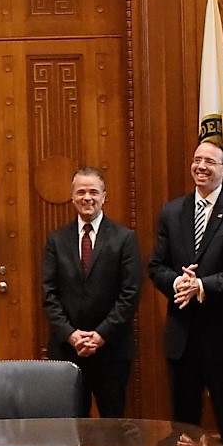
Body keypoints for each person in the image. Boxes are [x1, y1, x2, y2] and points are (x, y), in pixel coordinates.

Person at [147, 140, 223, 445]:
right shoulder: (172, 211)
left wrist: (201, 286)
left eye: (209, 162)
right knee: (183, 428)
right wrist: (177, 283)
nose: (200, 166)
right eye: (196, 159)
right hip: (182, 338)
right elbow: (156, 266)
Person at [41, 166, 141, 417]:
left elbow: (130, 294)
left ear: (105, 196)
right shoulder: (56, 240)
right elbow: (49, 294)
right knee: (70, 428)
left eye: (94, 192)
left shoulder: (124, 238)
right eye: (81, 192)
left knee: (112, 428)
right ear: (72, 196)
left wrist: (101, 335)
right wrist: (71, 335)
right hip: (67, 350)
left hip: (111, 350)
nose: (88, 198)